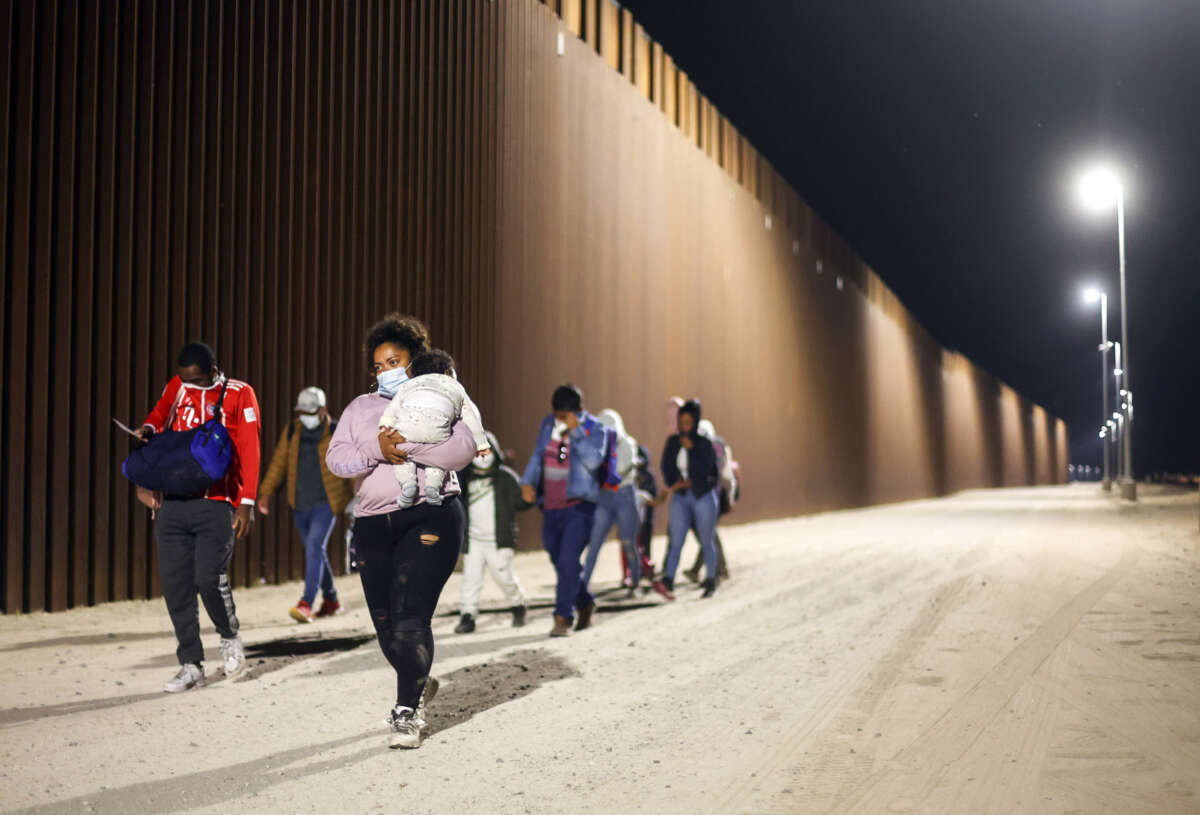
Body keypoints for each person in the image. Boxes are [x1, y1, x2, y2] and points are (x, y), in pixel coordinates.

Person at [325, 314, 476, 750]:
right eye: (379, 365)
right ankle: (418, 677)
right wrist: (377, 447)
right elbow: (337, 460)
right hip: (372, 524)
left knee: (410, 618)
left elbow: (461, 450)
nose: (387, 371)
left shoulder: (446, 399)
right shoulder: (359, 409)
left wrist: (404, 444)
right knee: (387, 629)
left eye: (396, 360)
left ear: (415, 361)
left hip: (431, 514)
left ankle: (406, 711)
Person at [132, 342, 260, 693]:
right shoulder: (178, 386)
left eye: (199, 379)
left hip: (216, 503)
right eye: (186, 379)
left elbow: (250, 447)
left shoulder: (239, 393)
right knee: (175, 587)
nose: (192, 385)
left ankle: (229, 635)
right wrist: (147, 428)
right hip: (174, 503)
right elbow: (159, 416)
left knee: (208, 578)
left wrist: (246, 501)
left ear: (214, 369)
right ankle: (191, 664)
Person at [520, 384, 611, 637]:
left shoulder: (596, 428)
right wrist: (526, 481)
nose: (560, 419)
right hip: (550, 505)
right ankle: (584, 601)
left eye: (565, 415)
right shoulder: (548, 423)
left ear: (579, 410)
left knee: (569, 560)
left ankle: (563, 618)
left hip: (580, 506)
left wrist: (576, 432)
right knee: (559, 559)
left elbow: (594, 461)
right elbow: (538, 456)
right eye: (557, 414)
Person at [257, 386, 353, 623]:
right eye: (302, 412)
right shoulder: (292, 430)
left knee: (314, 547)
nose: (305, 417)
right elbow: (279, 463)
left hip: (327, 503)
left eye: (310, 413)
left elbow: (351, 465)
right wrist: (265, 493)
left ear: (323, 410)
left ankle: (306, 603)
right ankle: (332, 600)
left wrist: (358, 499)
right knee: (316, 551)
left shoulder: (336, 431)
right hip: (299, 503)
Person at [378, 349, 490, 508]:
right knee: (438, 456)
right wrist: (481, 444)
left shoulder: (409, 385)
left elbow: (394, 406)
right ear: (448, 372)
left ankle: (408, 485)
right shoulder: (454, 385)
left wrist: (385, 423)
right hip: (438, 427)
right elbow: (472, 416)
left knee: (402, 452)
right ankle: (433, 487)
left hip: (408, 426)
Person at [454, 431, 532, 633]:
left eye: (487, 451)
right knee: (471, 580)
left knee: (504, 577)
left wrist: (529, 497)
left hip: (499, 540)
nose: (482, 457)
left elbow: (521, 502)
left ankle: (518, 605)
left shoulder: (505, 477)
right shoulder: (464, 479)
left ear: (495, 452)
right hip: (474, 541)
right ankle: (467, 616)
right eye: (478, 452)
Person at [654, 399, 720, 600]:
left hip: (702, 496)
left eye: (688, 422)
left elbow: (708, 471)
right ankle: (668, 579)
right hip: (681, 496)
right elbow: (666, 466)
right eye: (681, 422)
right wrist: (676, 482)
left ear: (696, 421)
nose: (684, 427)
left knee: (706, 539)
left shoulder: (705, 443)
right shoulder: (673, 442)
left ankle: (710, 578)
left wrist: (692, 449)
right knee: (676, 538)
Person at [581, 409, 644, 597]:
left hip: (624, 496)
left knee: (628, 541)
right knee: (595, 542)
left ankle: (635, 581)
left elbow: (621, 471)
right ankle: (583, 584)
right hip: (605, 497)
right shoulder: (596, 448)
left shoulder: (628, 445)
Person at [683, 418, 736, 583]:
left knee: (709, 533)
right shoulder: (717, 448)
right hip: (711, 496)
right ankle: (714, 569)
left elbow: (720, 474)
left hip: (713, 497)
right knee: (709, 533)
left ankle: (715, 570)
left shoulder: (715, 449)